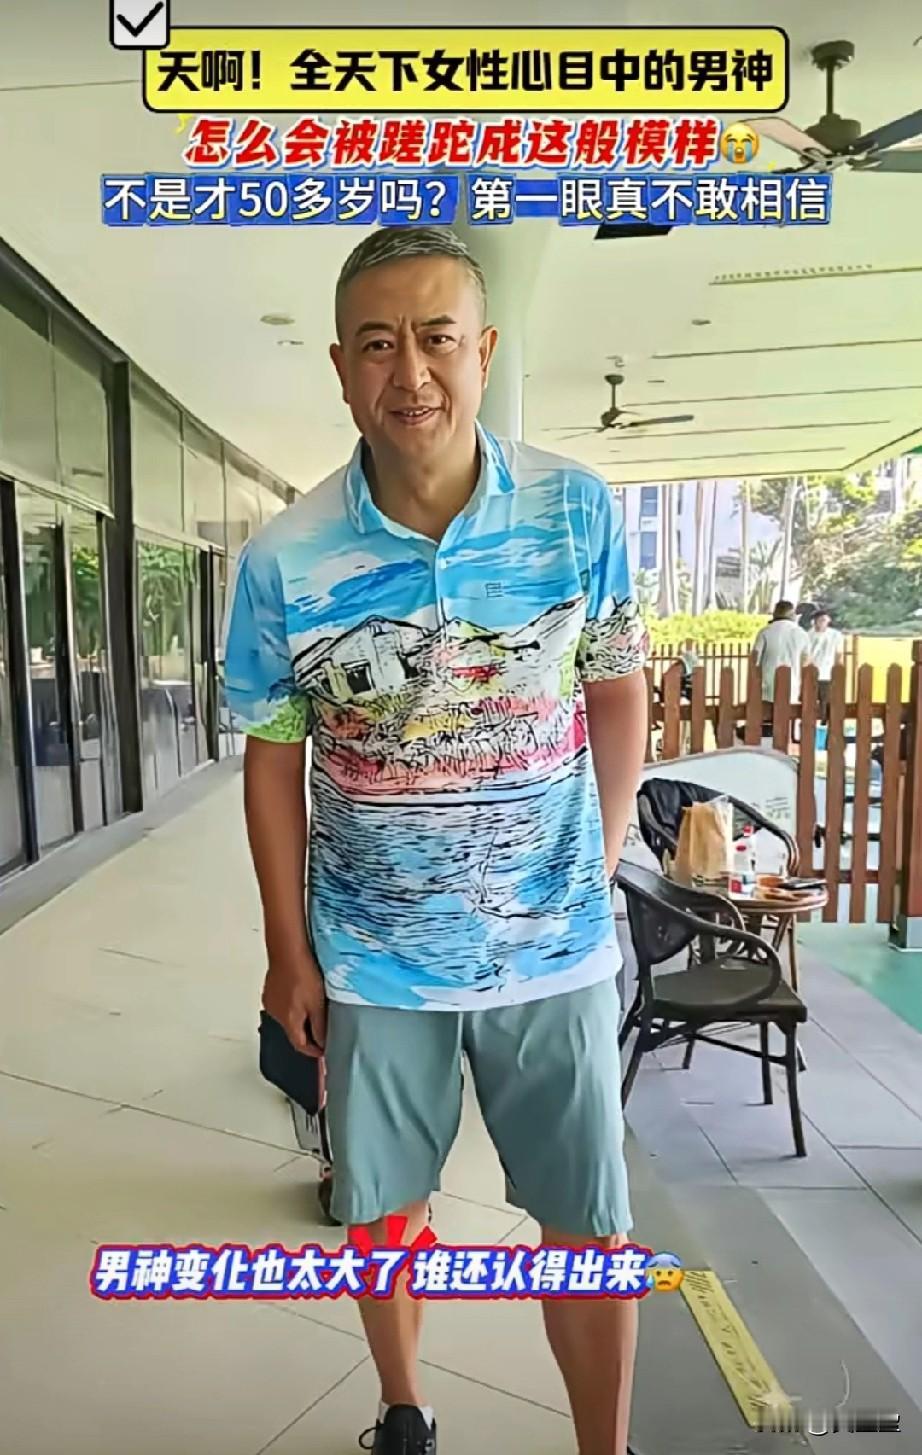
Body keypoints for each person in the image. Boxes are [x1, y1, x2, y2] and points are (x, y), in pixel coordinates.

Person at [223, 226, 650, 1455]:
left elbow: (617, 685)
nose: (408, 371)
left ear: (482, 351)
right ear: (340, 369)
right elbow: (272, 757)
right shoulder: (287, 557)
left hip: (552, 951)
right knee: (382, 1209)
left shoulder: (574, 509)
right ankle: (403, 1409)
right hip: (373, 955)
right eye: (376, 344)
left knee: (587, 1225)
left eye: (435, 338)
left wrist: (597, 855)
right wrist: (288, 954)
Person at [751, 599, 811, 710]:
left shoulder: (765, 631)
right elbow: (806, 661)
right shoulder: (802, 633)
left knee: (768, 714)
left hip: (768, 683)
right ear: (791, 613)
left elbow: (755, 658)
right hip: (792, 682)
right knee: (788, 715)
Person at [807, 610, 845, 719]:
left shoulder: (835, 635)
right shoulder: (809, 635)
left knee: (826, 700)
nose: (821, 622)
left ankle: (824, 722)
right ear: (814, 621)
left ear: (828, 620)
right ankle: (810, 721)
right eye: (819, 620)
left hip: (827, 672)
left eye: (824, 620)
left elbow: (838, 654)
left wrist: (837, 669)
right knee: (810, 700)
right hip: (812, 672)